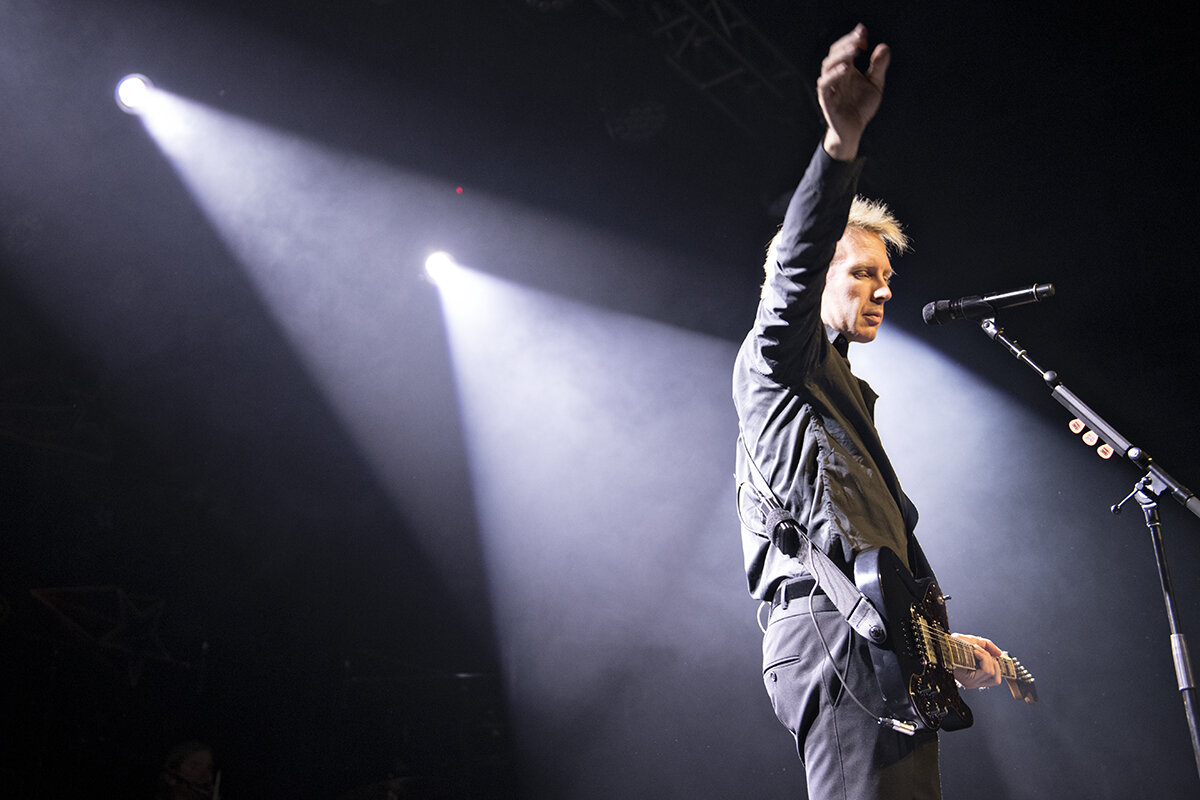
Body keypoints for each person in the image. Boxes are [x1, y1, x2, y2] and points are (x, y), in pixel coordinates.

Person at [733, 24, 1006, 800]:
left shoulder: (845, 393)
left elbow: (874, 553)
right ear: (817, 278)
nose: (882, 289)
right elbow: (792, 265)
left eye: (886, 275)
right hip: (828, 636)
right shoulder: (776, 357)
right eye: (860, 273)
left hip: (871, 639)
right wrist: (839, 141)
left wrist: (939, 646)